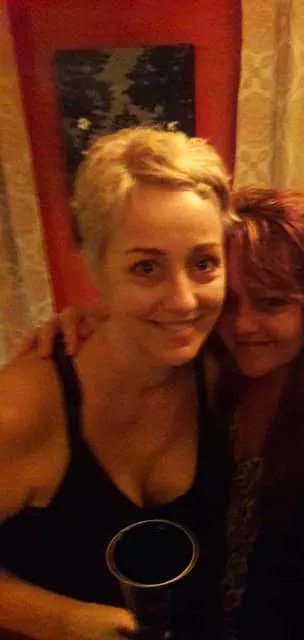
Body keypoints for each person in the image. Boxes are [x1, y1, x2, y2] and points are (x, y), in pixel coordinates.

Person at [25, 184, 304, 639]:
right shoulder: (209, 373)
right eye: (229, 301)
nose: (243, 325)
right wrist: (92, 319)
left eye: (272, 302)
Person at [0, 127, 233, 640]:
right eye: (146, 267)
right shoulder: (20, 410)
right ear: (95, 268)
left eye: (203, 263)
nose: (184, 300)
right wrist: (65, 621)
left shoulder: (219, 370)